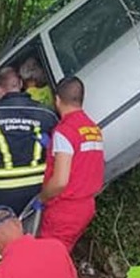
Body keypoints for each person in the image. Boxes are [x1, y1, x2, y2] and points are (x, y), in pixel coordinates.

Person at [0, 67, 58, 214]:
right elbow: (59, 149)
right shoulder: (46, 112)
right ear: (20, 84)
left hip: (3, 191)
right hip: (39, 188)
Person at [35, 77, 105, 252]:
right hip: (86, 206)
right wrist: (52, 146)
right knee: (60, 254)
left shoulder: (65, 132)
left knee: (48, 258)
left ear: (57, 100)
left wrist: (42, 198)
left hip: (65, 209)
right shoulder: (93, 129)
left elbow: (60, 181)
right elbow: (83, 162)